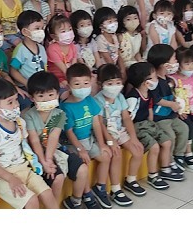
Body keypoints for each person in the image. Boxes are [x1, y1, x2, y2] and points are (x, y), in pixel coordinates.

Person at [23, 71, 99, 209]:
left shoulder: (59, 114)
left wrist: (49, 159)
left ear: (57, 94)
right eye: (41, 96)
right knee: (57, 178)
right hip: (36, 154)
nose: (46, 99)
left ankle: (75, 201)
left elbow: (53, 138)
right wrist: (44, 162)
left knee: (82, 169)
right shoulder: (29, 116)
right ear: (32, 98)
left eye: (51, 95)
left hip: (54, 150)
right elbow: (34, 141)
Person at [0, 78, 57, 209]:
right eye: (10, 102)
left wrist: (40, 162)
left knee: (48, 194)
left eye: (16, 99)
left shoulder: (20, 122)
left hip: (24, 168)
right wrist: (11, 179)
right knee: (32, 201)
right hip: (3, 176)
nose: (16, 105)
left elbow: (25, 145)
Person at [60, 63, 126, 208]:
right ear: (69, 86)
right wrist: (80, 149)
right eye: (77, 84)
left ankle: (100, 187)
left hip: (89, 140)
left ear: (91, 82)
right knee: (83, 163)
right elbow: (69, 132)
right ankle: (86, 193)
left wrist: (102, 144)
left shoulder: (90, 100)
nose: (82, 87)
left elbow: (97, 123)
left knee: (106, 155)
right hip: (73, 144)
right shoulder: (65, 107)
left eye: (86, 83)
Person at [94, 64, 146, 201]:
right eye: (110, 83)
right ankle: (115, 189)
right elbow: (100, 124)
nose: (115, 87)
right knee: (116, 155)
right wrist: (110, 141)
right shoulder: (97, 100)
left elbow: (126, 118)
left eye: (118, 83)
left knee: (138, 150)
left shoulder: (120, 97)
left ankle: (131, 180)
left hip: (119, 131)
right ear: (100, 84)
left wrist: (133, 137)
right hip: (105, 134)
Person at [125, 62, 175, 189]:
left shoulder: (149, 92)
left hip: (148, 124)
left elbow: (150, 109)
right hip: (137, 127)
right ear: (145, 82)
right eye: (154, 77)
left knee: (167, 142)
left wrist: (152, 124)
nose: (157, 79)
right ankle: (152, 176)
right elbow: (128, 118)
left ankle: (165, 169)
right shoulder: (133, 97)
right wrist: (132, 136)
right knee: (154, 147)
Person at [146, 44, 189, 178]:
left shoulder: (169, 79)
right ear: (164, 64)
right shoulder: (154, 82)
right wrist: (171, 104)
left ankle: (179, 156)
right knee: (170, 136)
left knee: (184, 129)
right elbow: (157, 100)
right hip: (159, 117)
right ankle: (168, 162)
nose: (176, 61)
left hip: (171, 115)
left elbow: (172, 95)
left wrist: (178, 104)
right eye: (174, 59)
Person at [10, 10, 47, 90]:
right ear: (25, 32)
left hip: (41, 85)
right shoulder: (20, 50)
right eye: (37, 28)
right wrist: (26, 83)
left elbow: (45, 67)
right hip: (26, 86)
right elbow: (13, 71)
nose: (41, 31)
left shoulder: (41, 48)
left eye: (42, 28)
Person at [45, 14, 78, 89]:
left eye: (70, 29)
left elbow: (74, 66)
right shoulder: (52, 49)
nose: (68, 33)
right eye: (63, 31)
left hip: (69, 76)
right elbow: (64, 70)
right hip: (55, 78)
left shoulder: (73, 46)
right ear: (53, 36)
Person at [93, 7, 125, 75]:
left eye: (115, 20)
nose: (114, 24)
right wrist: (117, 73)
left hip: (114, 67)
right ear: (101, 26)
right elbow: (107, 59)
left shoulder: (114, 36)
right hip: (105, 70)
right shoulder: (100, 39)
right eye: (110, 21)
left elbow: (118, 54)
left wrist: (123, 69)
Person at [70, 10, 101, 77]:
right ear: (75, 28)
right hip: (82, 73)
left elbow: (97, 59)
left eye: (89, 24)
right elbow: (80, 62)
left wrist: (100, 71)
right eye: (82, 25)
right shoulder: (74, 45)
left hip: (93, 70)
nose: (86, 27)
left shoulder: (92, 41)